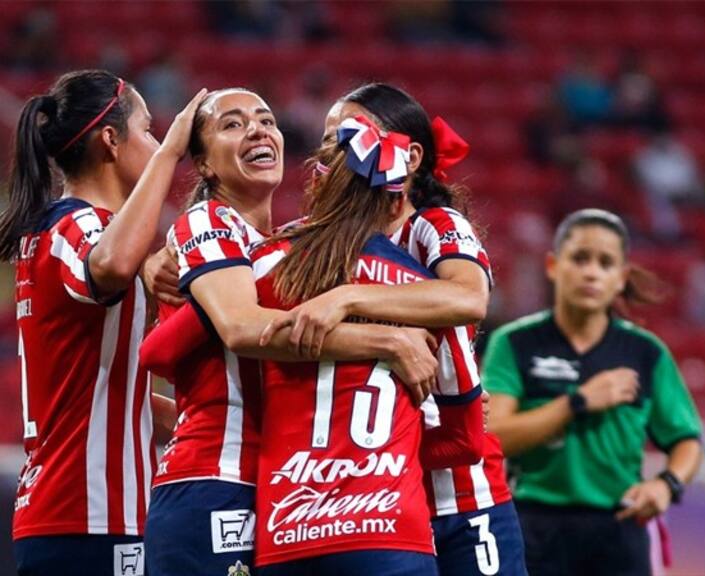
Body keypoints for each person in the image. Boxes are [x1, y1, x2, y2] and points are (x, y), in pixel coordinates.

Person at [138, 87, 440, 576]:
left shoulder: (282, 245)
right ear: (205, 165)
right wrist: (387, 340)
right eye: (232, 124)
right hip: (215, 478)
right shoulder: (207, 220)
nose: (257, 129)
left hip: (277, 486)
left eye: (265, 119)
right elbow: (240, 328)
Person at [262, 82, 527, 576]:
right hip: (371, 496)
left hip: (461, 496)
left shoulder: (433, 225)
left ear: (411, 156)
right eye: (328, 141)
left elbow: (468, 297)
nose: (333, 153)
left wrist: (346, 297)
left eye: (349, 137)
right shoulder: (322, 242)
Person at [0, 69, 206, 575]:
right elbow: (111, 266)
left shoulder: (52, 233)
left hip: (76, 513)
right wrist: (169, 155)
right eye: (148, 130)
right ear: (110, 140)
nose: (157, 142)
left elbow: (96, 390)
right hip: (89, 512)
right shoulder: (79, 225)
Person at [484, 209, 703, 576]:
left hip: (620, 526)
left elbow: (686, 440)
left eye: (605, 263)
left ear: (621, 278)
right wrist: (578, 401)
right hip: (533, 526)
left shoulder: (645, 352)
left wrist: (666, 485)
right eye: (580, 258)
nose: (591, 272)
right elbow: (494, 437)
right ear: (553, 266)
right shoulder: (515, 343)